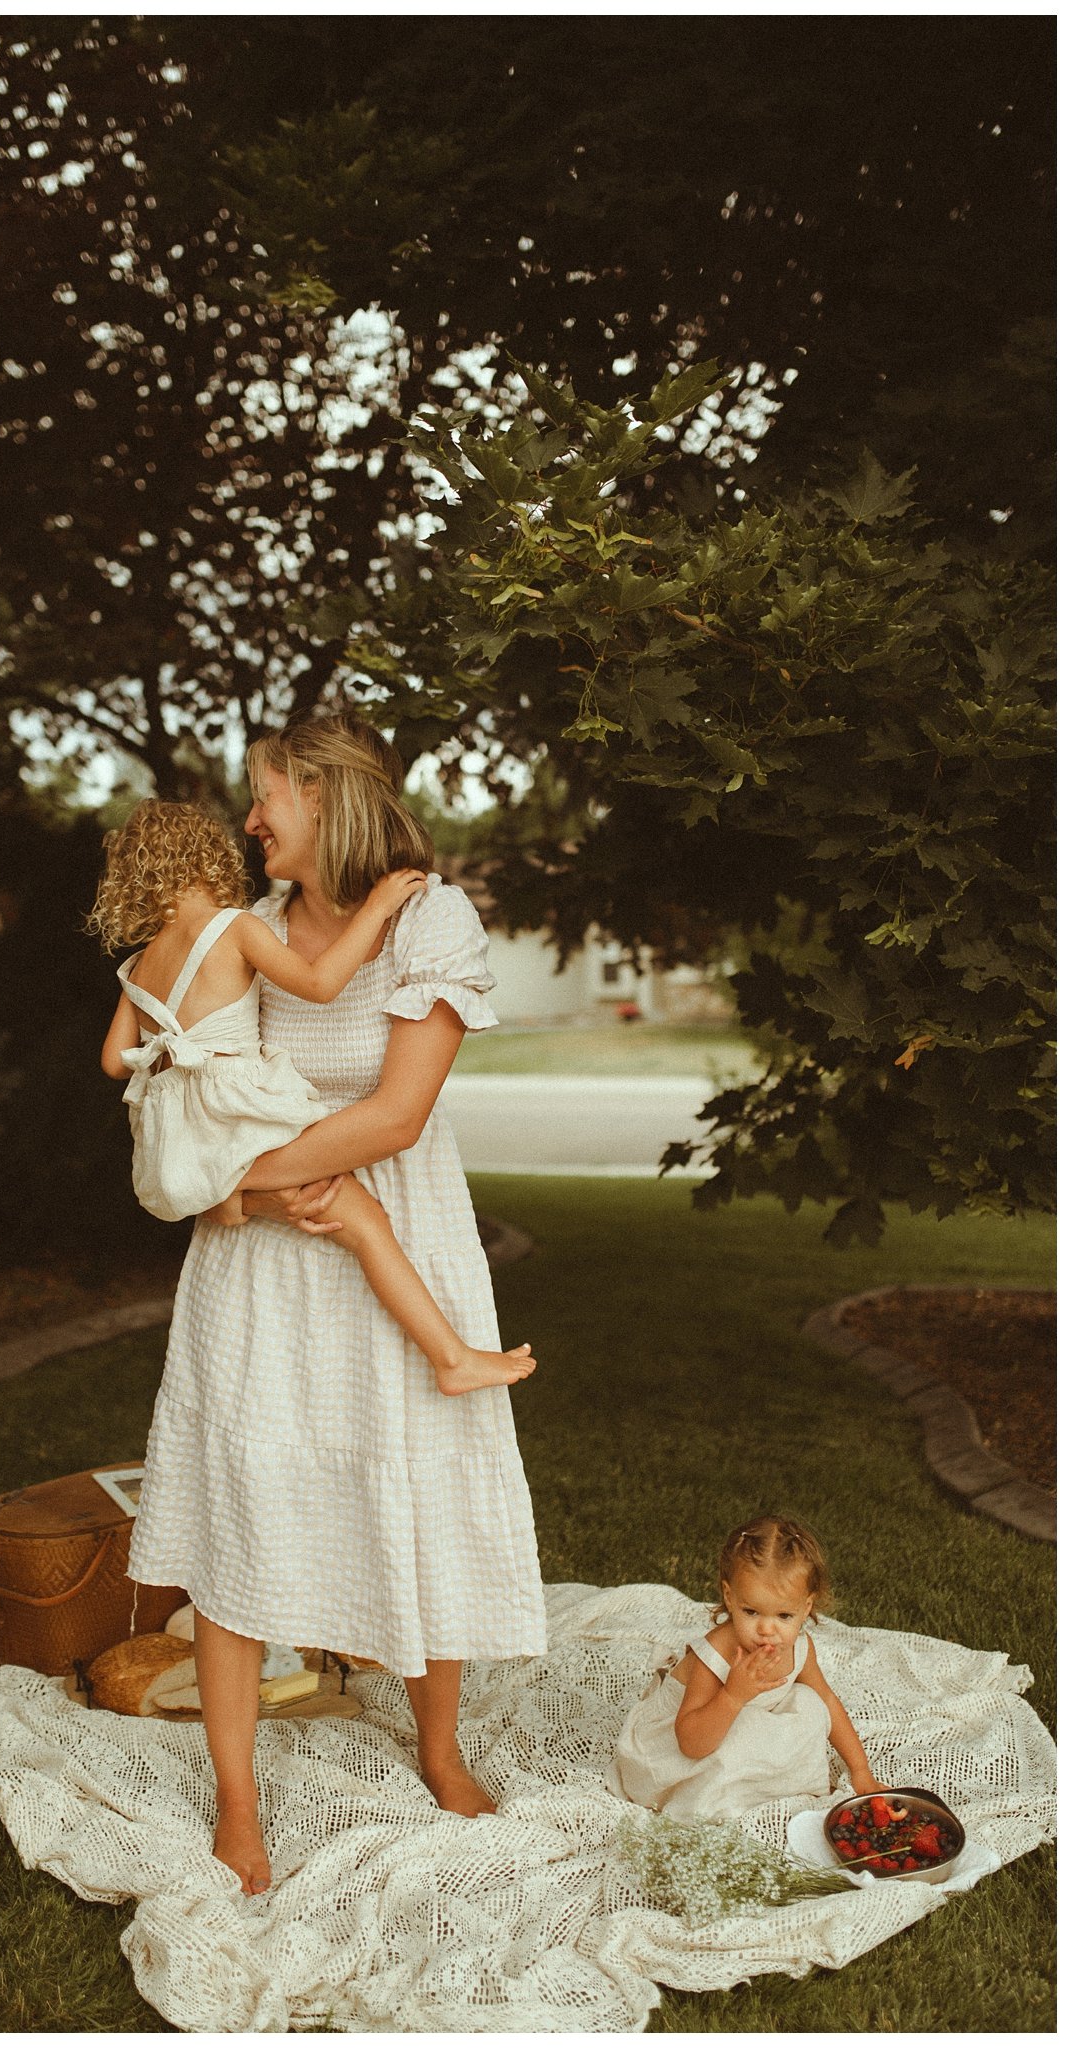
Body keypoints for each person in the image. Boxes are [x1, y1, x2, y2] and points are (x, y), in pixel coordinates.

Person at [123, 713, 549, 1894]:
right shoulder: (244, 931)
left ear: (324, 795)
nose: (249, 819)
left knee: (418, 1473)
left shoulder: (429, 919)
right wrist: (234, 1187)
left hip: (389, 1219)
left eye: (266, 797)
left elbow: (399, 1113)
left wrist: (238, 1177)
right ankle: (238, 1802)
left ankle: (438, 1745)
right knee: (238, 1501)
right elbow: (185, 1086)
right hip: (257, 1255)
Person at [91, 798, 537, 1399]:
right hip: (237, 1113)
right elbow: (321, 984)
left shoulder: (139, 964)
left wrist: (178, 1047)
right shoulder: (238, 926)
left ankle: (230, 1195)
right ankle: (451, 1356)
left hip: (185, 1128)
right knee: (366, 1223)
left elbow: (116, 1062)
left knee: (304, 1209)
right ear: (206, 859)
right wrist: (376, 908)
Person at [613, 1513, 881, 1820]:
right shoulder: (715, 1655)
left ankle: (772, 1783)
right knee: (736, 1737)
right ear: (730, 1597)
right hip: (688, 1740)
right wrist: (732, 1696)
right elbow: (690, 1744)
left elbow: (829, 1702)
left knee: (811, 1705)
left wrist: (860, 1770)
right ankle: (722, 1800)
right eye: (751, 1611)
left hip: (744, 1722)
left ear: (805, 1608)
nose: (767, 1630)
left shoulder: (800, 1649)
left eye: (784, 1616)